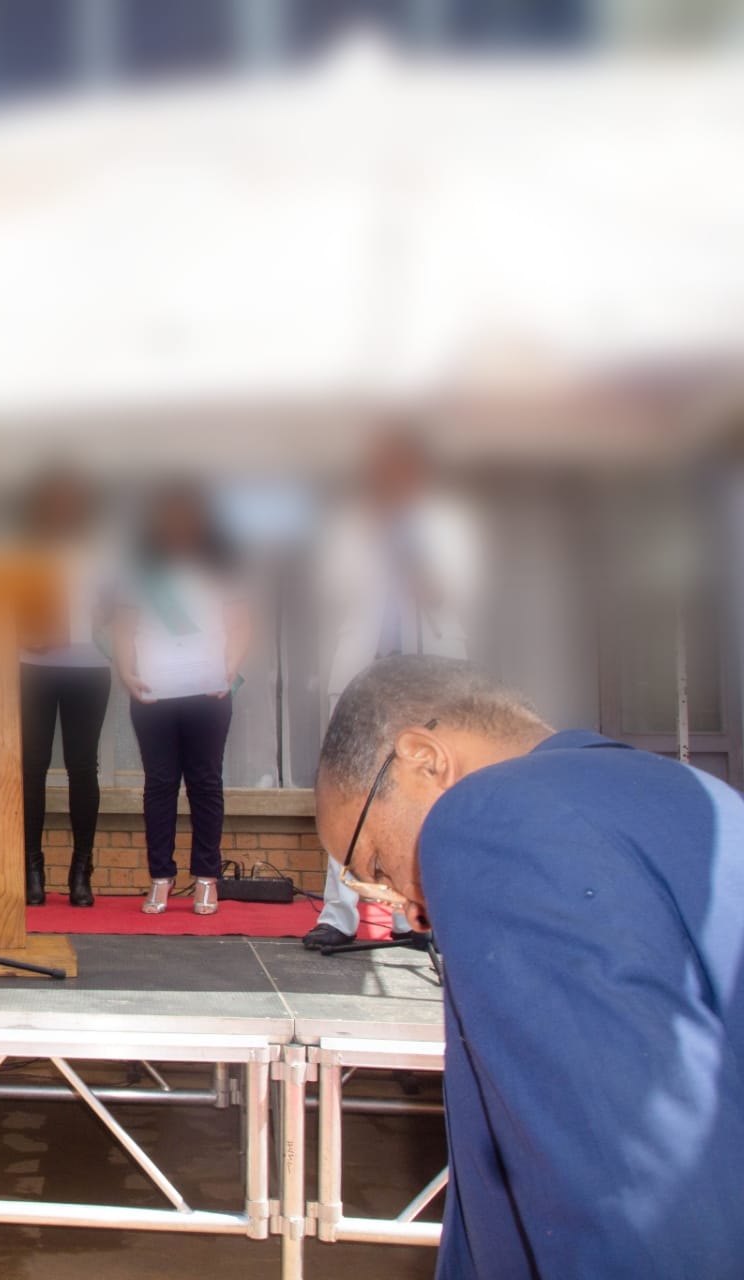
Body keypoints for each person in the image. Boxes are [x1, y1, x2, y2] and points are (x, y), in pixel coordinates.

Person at [314, 655, 744, 1279]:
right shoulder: (699, 799)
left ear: (424, 759)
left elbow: (629, 1191)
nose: (409, 910)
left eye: (377, 864)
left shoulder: (491, 818)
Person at [305, 428, 482, 951]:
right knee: (349, 788)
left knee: (425, 794)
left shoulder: (448, 525)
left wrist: (416, 558)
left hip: (430, 678)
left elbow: (456, 591)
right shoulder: (353, 524)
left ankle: (413, 915)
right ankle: (339, 915)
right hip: (365, 673)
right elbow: (334, 587)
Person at [114, 485, 250, 916]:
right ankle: (161, 877)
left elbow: (240, 624)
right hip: (153, 692)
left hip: (207, 690)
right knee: (159, 784)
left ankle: (207, 878)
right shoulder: (139, 571)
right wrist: (126, 672)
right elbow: (123, 628)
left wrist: (230, 668)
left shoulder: (220, 568)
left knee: (205, 783)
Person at [17, 472, 115, 907]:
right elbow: (4, 606)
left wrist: (89, 618)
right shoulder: (22, 551)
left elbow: (118, 608)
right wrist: (28, 631)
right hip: (33, 667)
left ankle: (81, 870)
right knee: (32, 767)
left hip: (88, 668)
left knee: (82, 767)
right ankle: (31, 869)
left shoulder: (103, 552)